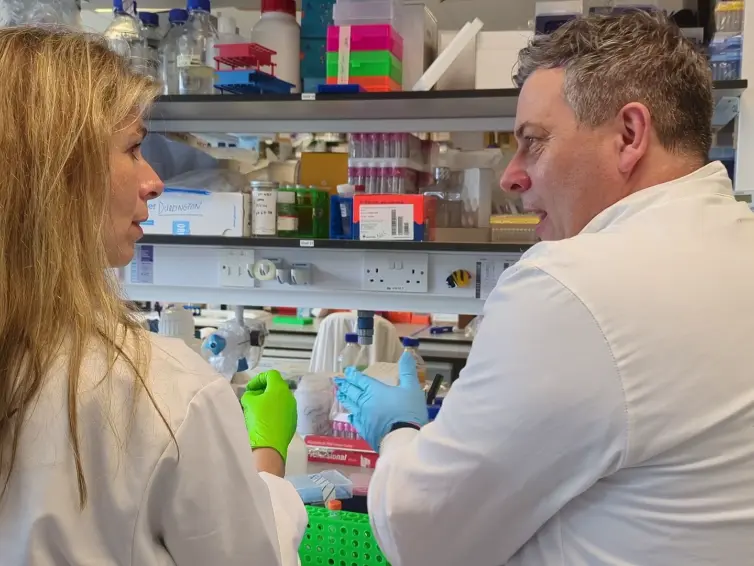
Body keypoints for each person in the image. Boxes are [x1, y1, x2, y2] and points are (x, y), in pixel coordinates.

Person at [336, 12, 754, 566]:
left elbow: (420, 536)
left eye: (534, 142)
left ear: (629, 136)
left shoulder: (574, 286)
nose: (511, 176)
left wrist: (400, 430)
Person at [0, 28, 305, 565]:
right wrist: (268, 462)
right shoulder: (162, 392)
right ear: (59, 173)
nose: (155, 180)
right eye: (133, 148)